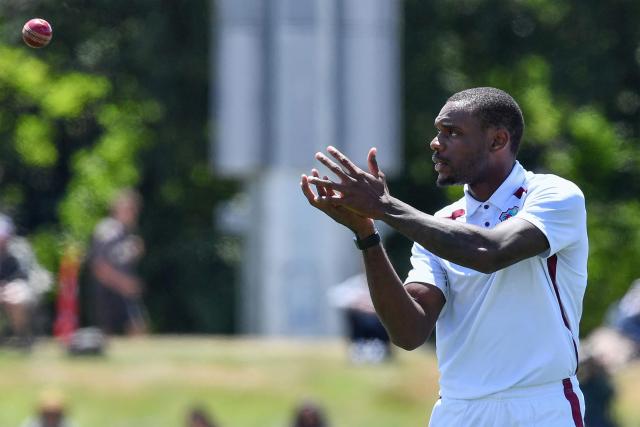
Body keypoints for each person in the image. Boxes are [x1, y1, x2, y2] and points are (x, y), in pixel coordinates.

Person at [301, 87, 588, 426]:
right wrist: (367, 234)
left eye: (452, 132)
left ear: (497, 140)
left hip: (539, 406)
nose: (436, 143)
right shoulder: (439, 226)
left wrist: (385, 207)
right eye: (438, 132)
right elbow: (408, 331)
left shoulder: (554, 195)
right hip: (457, 410)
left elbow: (490, 251)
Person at [87, 189, 147, 335]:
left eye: (134, 210)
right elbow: (98, 267)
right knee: (113, 335)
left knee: (137, 329)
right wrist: (124, 283)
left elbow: (121, 259)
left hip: (123, 294)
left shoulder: (126, 234)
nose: (133, 214)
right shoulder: (108, 230)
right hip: (109, 293)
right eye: (128, 209)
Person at [0, 214, 52, 349]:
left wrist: (7, 289)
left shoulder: (19, 250)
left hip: (18, 288)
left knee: (16, 300)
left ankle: (22, 337)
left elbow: (23, 276)